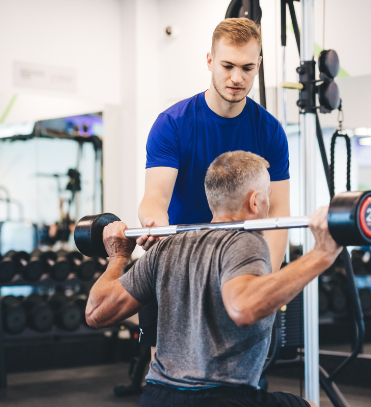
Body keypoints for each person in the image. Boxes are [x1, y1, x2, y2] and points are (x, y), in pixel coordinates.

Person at [86, 151, 342, 407]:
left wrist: (118, 257)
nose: (268, 205)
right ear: (255, 201)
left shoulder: (166, 247)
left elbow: (96, 311)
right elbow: (243, 307)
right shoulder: (247, 241)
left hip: (157, 396)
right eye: (268, 197)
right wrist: (322, 254)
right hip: (222, 398)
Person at [136, 18, 291, 353]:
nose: (237, 78)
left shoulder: (270, 131)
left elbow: (279, 212)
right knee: (171, 373)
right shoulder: (173, 124)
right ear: (210, 61)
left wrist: (267, 281)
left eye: (247, 68)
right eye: (228, 66)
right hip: (182, 262)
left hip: (241, 265)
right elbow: (154, 198)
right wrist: (153, 226)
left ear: (258, 66)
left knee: (240, 380)